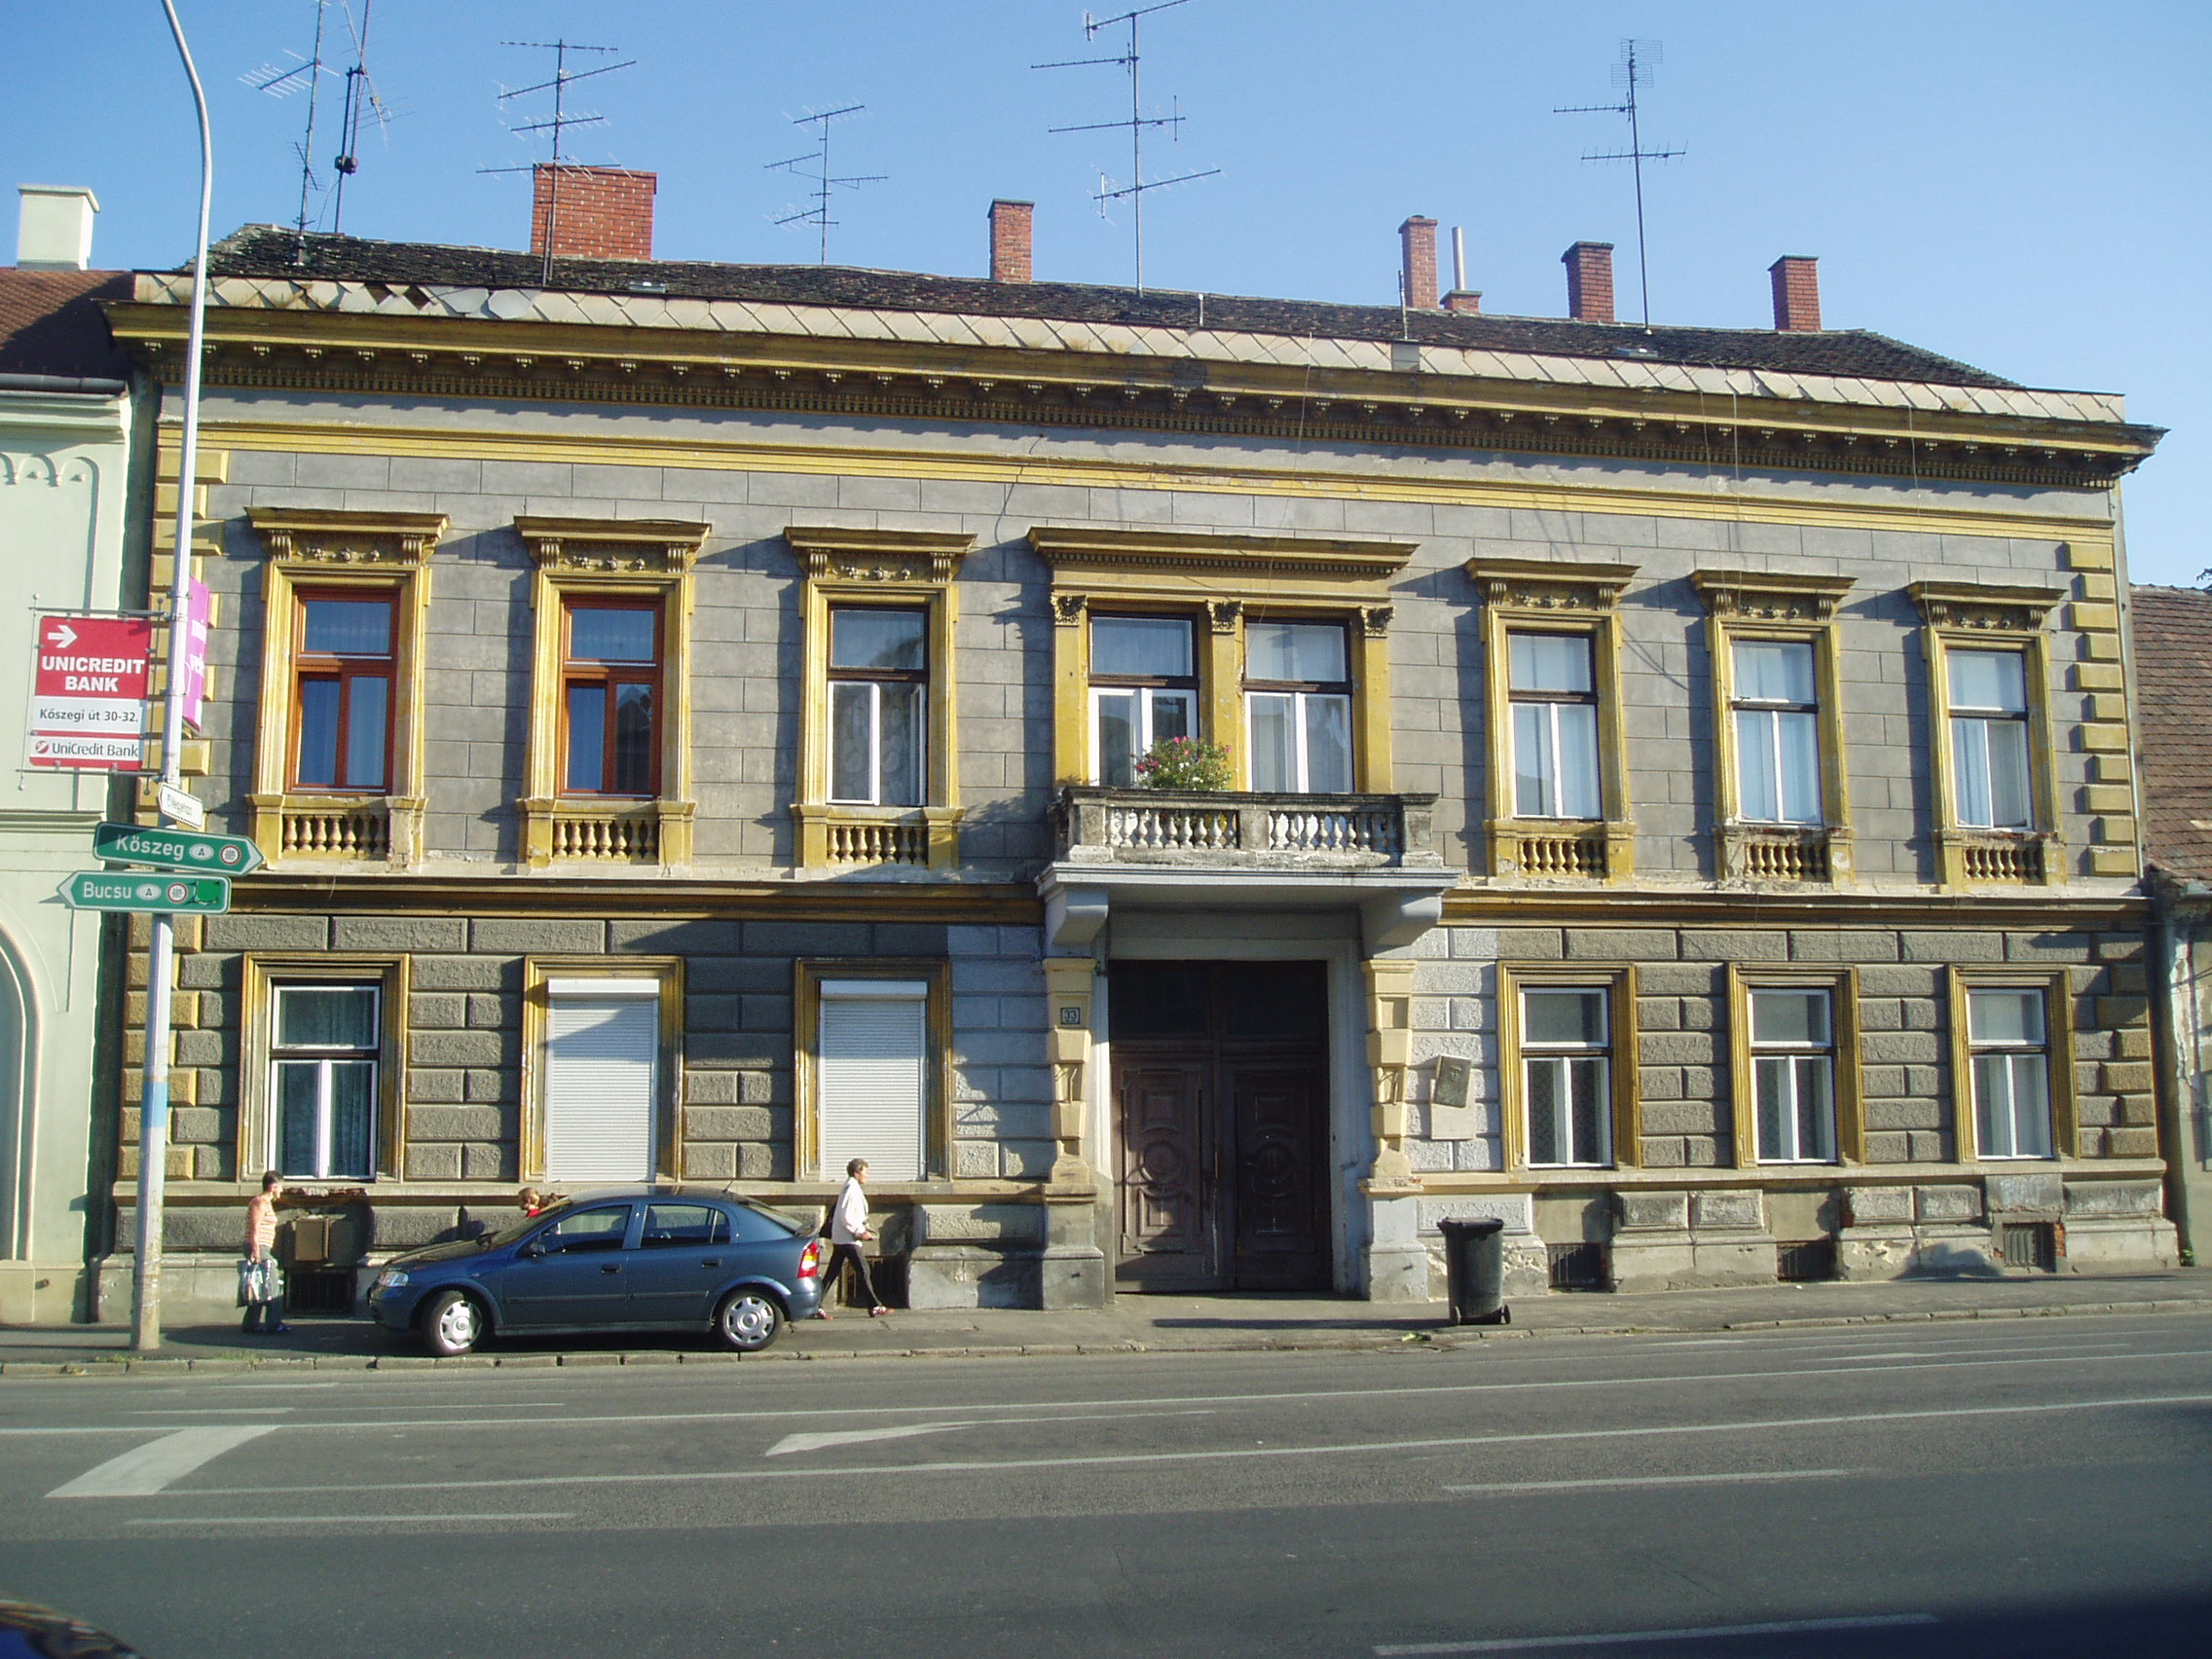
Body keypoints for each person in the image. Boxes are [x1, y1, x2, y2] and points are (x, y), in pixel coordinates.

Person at [814, 1157, 890, 1319]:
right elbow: (846, 1215)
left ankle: (814, 1306)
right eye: (865, 1172)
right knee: (863, 1270)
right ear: (856, 1173)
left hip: (843, 1238)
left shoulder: (851, 1187)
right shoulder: (851, 1189)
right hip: (848, 1239)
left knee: (832, 1274)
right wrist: (860, 1232)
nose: (867, 1175)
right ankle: (875, 1306)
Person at [241, 1170, 288, 1334]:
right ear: (272, 1187)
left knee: (259, 1285)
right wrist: (256, 1250)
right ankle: (274, 1324)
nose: (282, 1190)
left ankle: (250, 1324)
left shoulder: (267, 1204)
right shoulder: (259, 1202)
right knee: (273, 1286)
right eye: (280, 1186)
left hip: (262, 1247)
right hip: (258, 1247)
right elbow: (254, 1228)